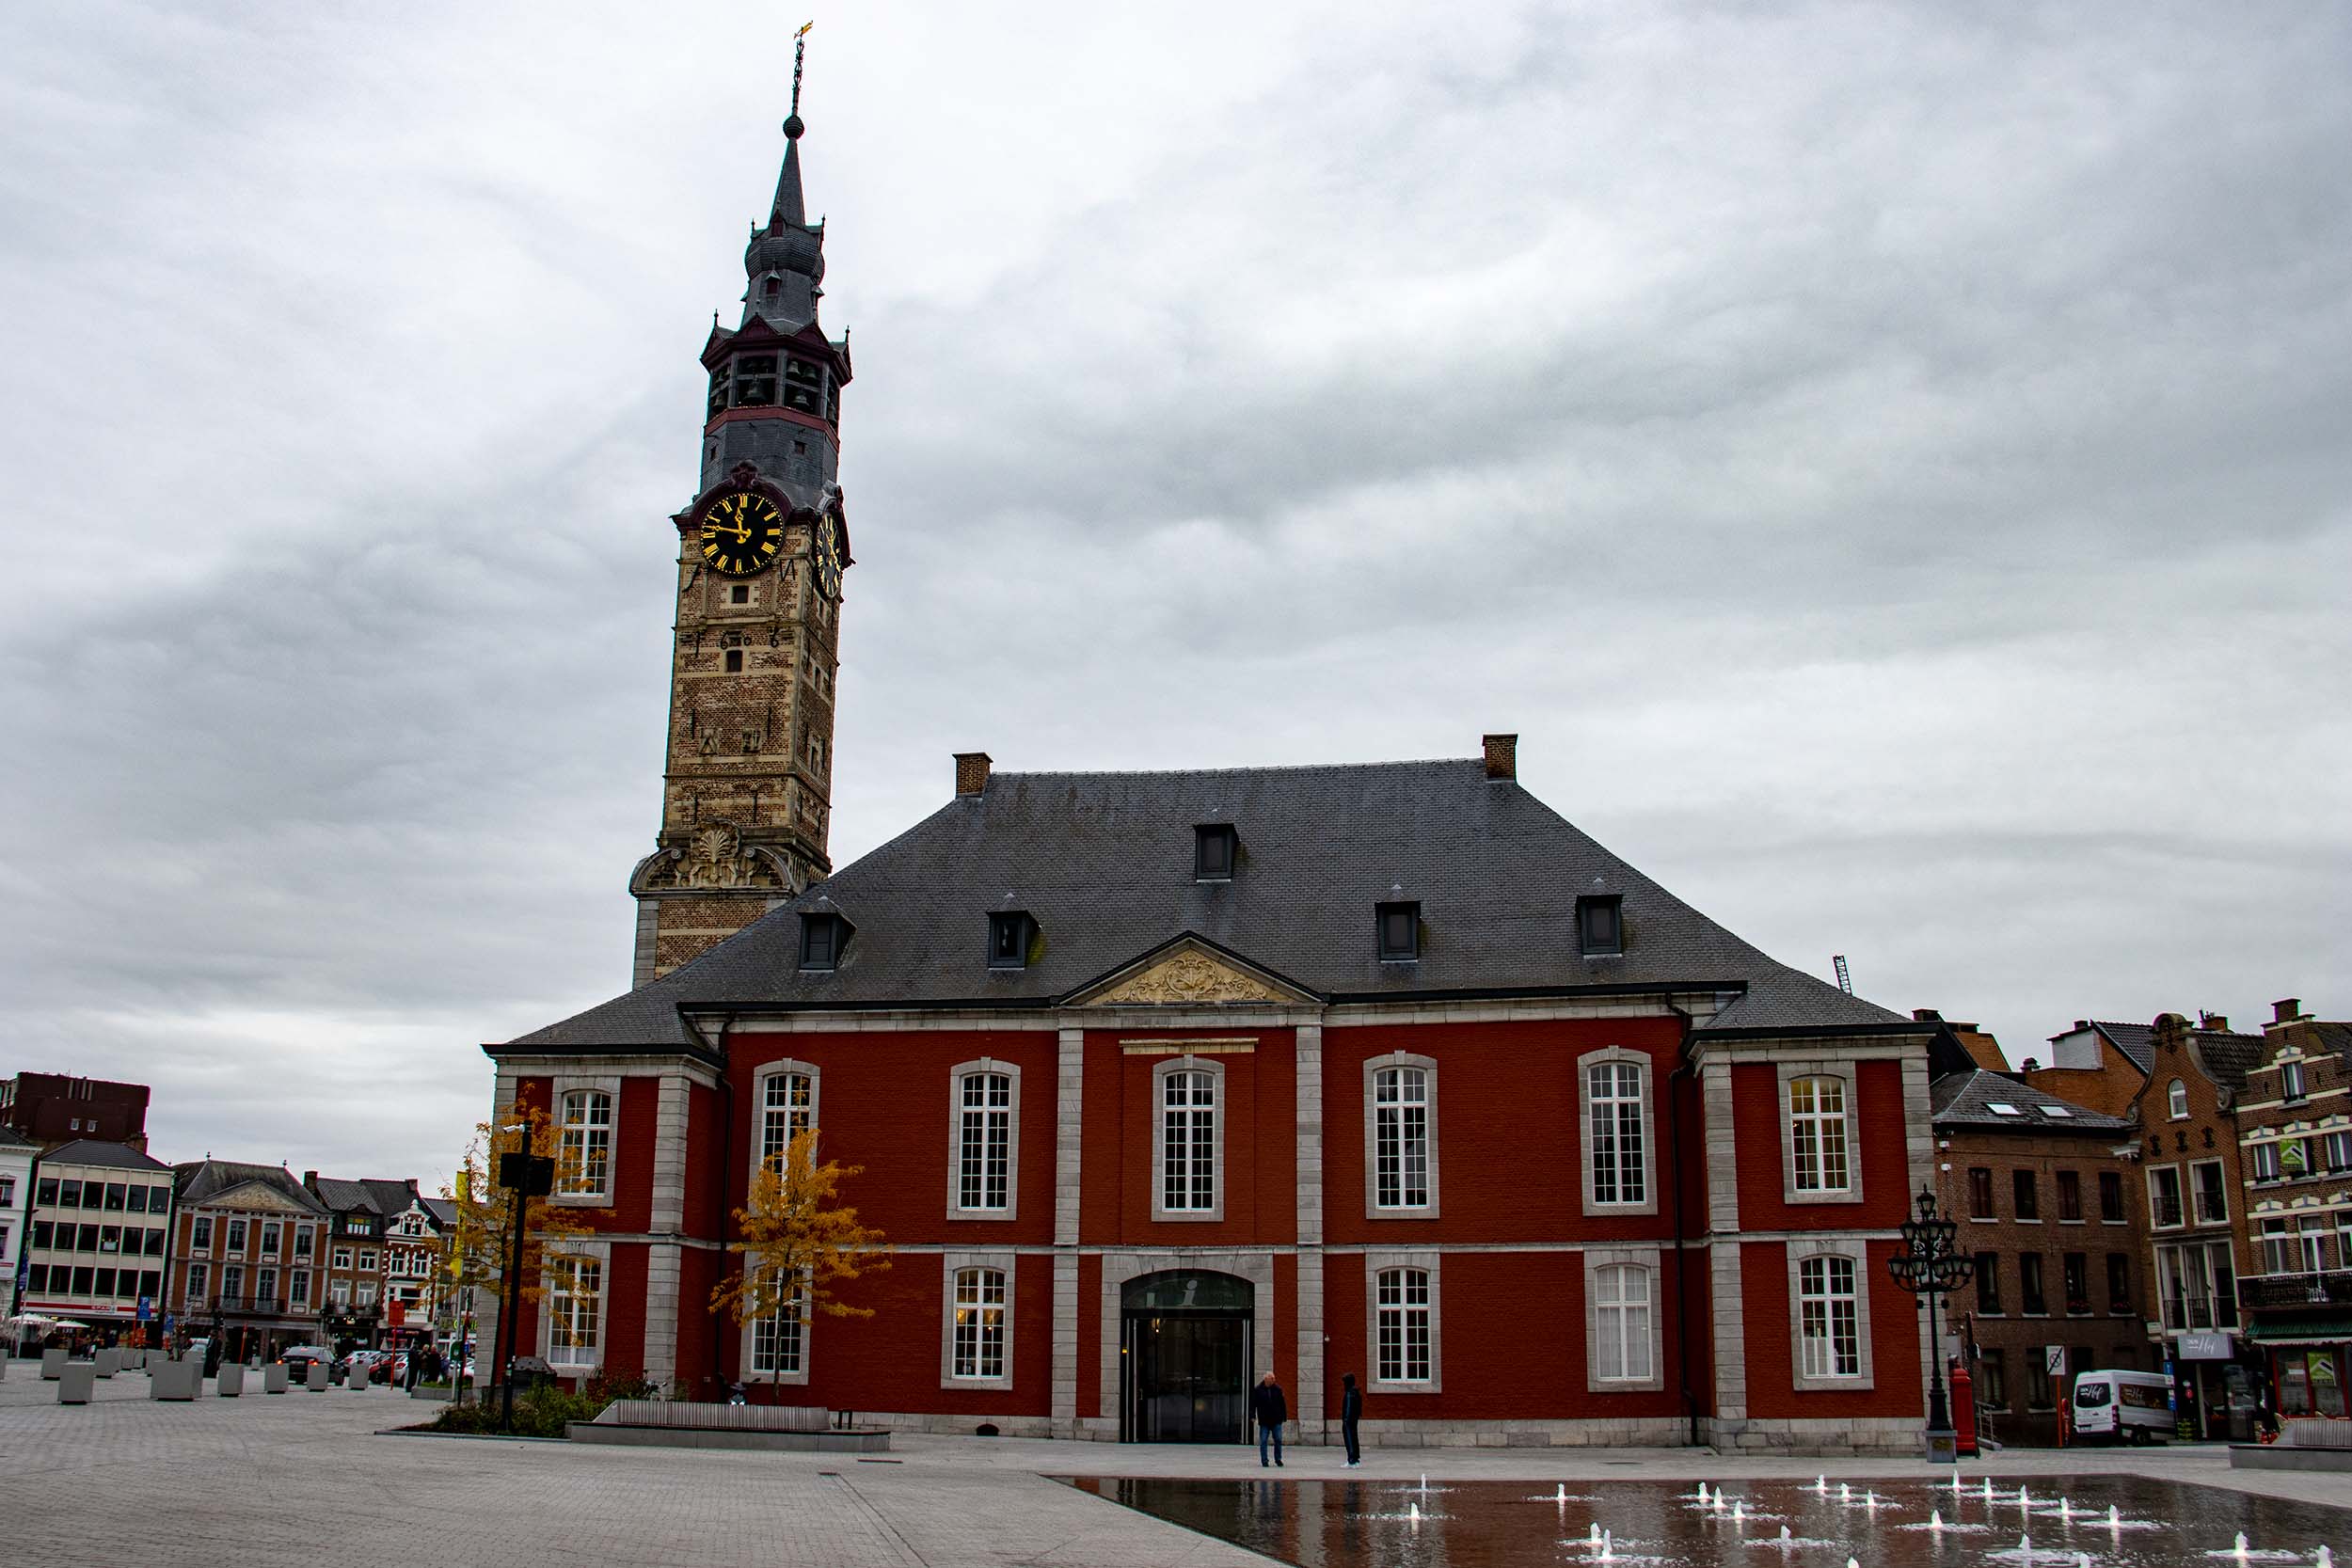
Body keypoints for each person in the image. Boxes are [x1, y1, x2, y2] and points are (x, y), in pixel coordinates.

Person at [1252, 1370, 1288, 1467]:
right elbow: (1253, 1404)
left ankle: (1278, 1459)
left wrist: (1284, 1416)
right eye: (1272, 1379)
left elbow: (1282, 1404)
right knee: (1263, 1441)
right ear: (1266, 1379)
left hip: (1276, 1420)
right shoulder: (1258, 1390)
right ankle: (1264, 1460)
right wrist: (1252, 1416)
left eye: (1274, 1378)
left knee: (1278, 1440)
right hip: (1264, 1420)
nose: (1274, 1380)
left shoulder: (1278, 1389)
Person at [1339, 1371, 1362, 1466]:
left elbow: (1348, 1408)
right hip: (1353, 1420)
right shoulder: (1355, 1392)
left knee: (1350, 1439)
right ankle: (1354, 1459)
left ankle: (1352, 1460)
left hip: (1349, 1421)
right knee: (1354, 1438)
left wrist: (1346, 1420)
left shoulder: (1350, 1393)